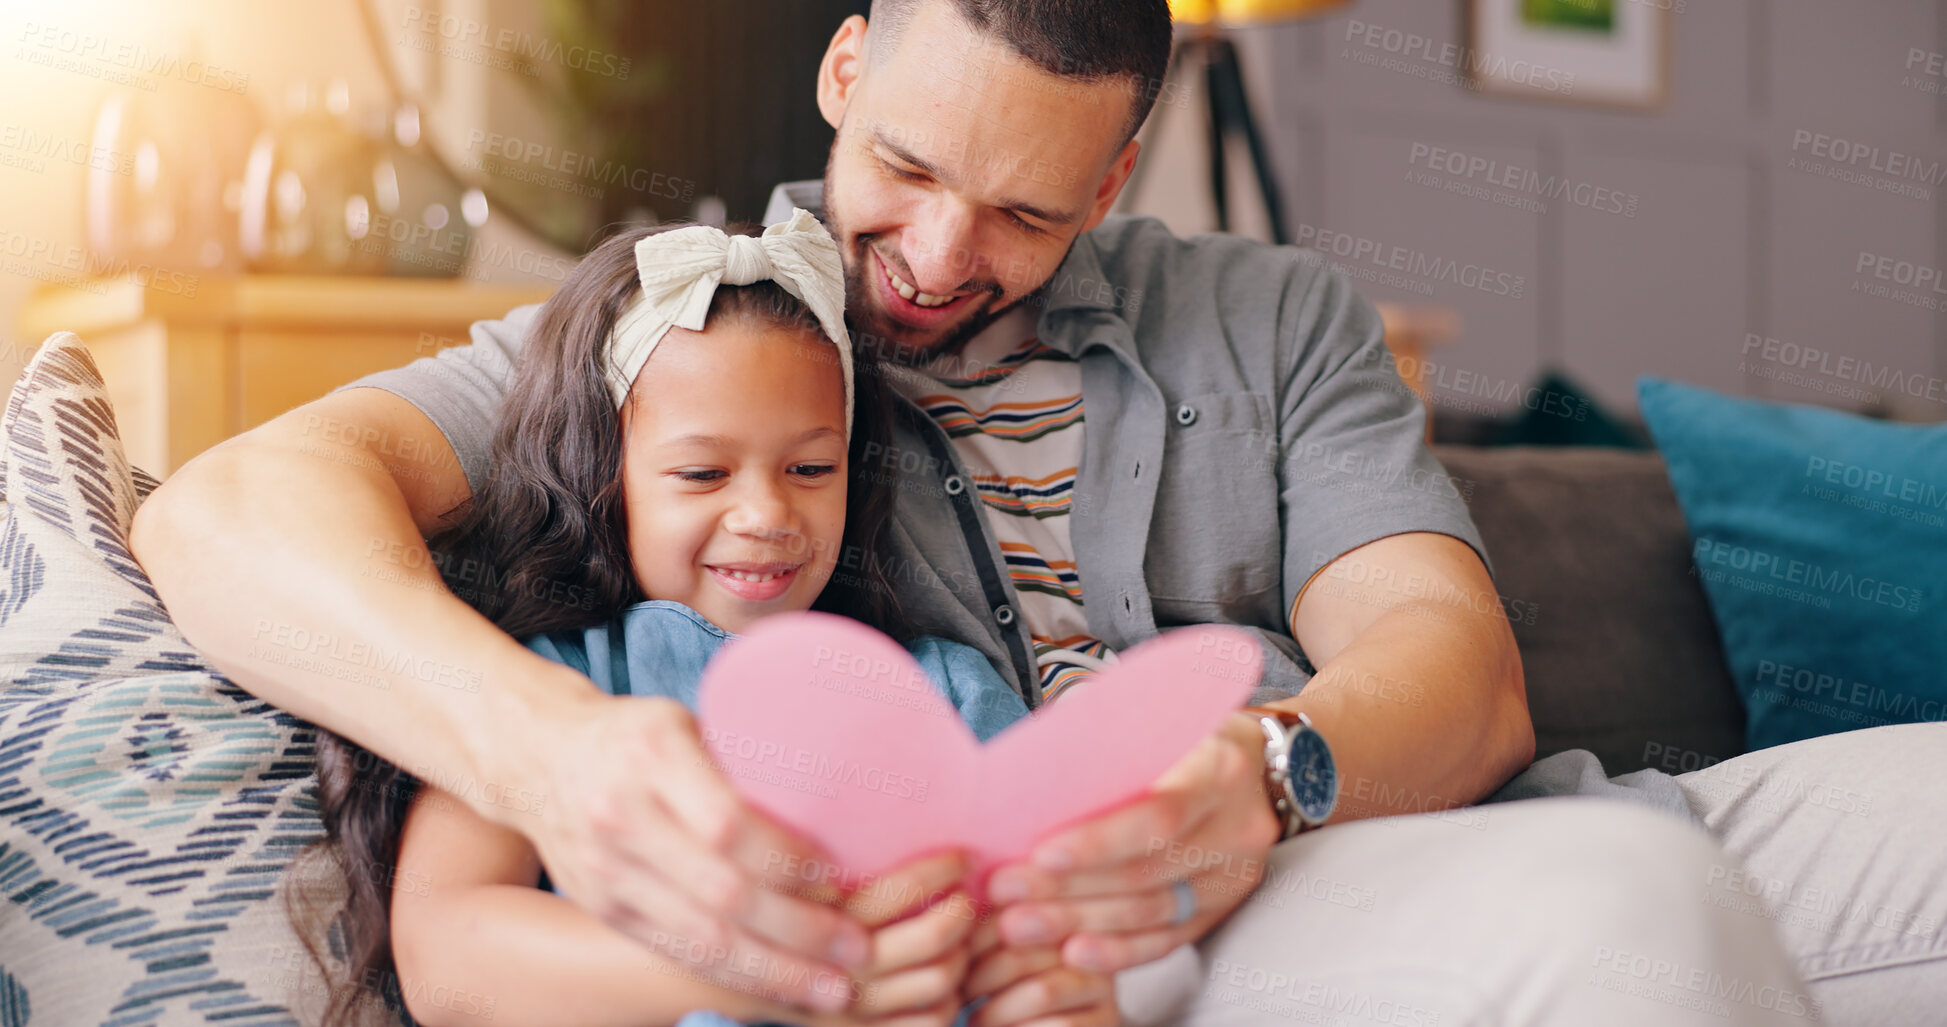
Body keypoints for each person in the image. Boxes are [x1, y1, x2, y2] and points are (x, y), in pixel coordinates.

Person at [134, 1, 1947, 1024]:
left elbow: (1457, 685)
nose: (932, 259)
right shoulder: (696, 334)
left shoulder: (1272, 315)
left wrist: (1253, 774)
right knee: (1620, 903)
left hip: (1359, 821)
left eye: (1021, 211)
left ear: (1116, 171)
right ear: (843, 72)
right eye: (906, 170)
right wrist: (559, 764)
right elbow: (225, 515)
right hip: (1160, 945)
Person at [301, 215, 1063, 1027]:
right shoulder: (545, 684)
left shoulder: (941, 686)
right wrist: (786, 977)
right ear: (604, 475)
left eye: (811, 467)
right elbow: (448, 955)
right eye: (703, 472)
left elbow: (1050, 910)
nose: (768, 511)